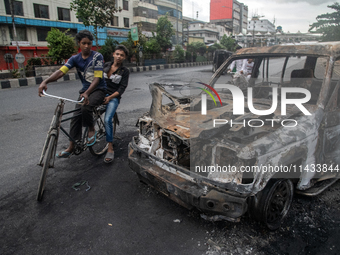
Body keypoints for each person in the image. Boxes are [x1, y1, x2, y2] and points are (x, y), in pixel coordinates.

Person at [38, 30, 107, 158]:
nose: (86, 46)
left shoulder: (97, 57)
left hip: (98, 89)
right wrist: (45, 81)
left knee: (86, 106)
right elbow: (61, 72)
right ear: (79, 44)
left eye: (89, 43)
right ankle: (71, 147)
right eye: (83, 43)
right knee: (75, 117)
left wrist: (86, 93)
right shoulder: (75, 58)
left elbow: (97, 79)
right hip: (85, 92)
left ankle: (91, 129)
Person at [102, 45, 130, 163]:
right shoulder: (105, 66)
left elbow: (121, 89)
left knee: (107, 119)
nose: (119, 57)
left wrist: (109, 97)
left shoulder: (125, 71)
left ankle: (110, 147)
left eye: (122, 55)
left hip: (113, 97)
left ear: (124, 58)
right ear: (113, 54)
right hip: (100, 94)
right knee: (84, 108)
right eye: (117, 54)